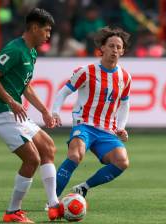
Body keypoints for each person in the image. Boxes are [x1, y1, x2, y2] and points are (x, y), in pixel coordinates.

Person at [0, 8, 62, 223]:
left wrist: (44, 111)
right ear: (34, 28)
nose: (48, 35)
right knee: (32, 159)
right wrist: (11, 101)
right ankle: (12, 212)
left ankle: (54, 205)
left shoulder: (32, 52)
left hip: (14, 112)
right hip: (1, 113)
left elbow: (26, 85)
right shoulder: (15, 49)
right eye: (46, 30)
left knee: (48, 147)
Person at [52, 26, 131, 199]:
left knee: (122, 162)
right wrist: (55, 112)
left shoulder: (125, 77)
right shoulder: (86, 71)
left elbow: (125, 104)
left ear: (123, 51)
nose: (115, 50)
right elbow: (64, 91)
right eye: (111, 46)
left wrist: (121, 127)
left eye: (118, 47)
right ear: (102, 48)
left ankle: (83, 187)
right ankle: (53, 201)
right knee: (75, 155)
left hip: (107, 131)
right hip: (84, 125)